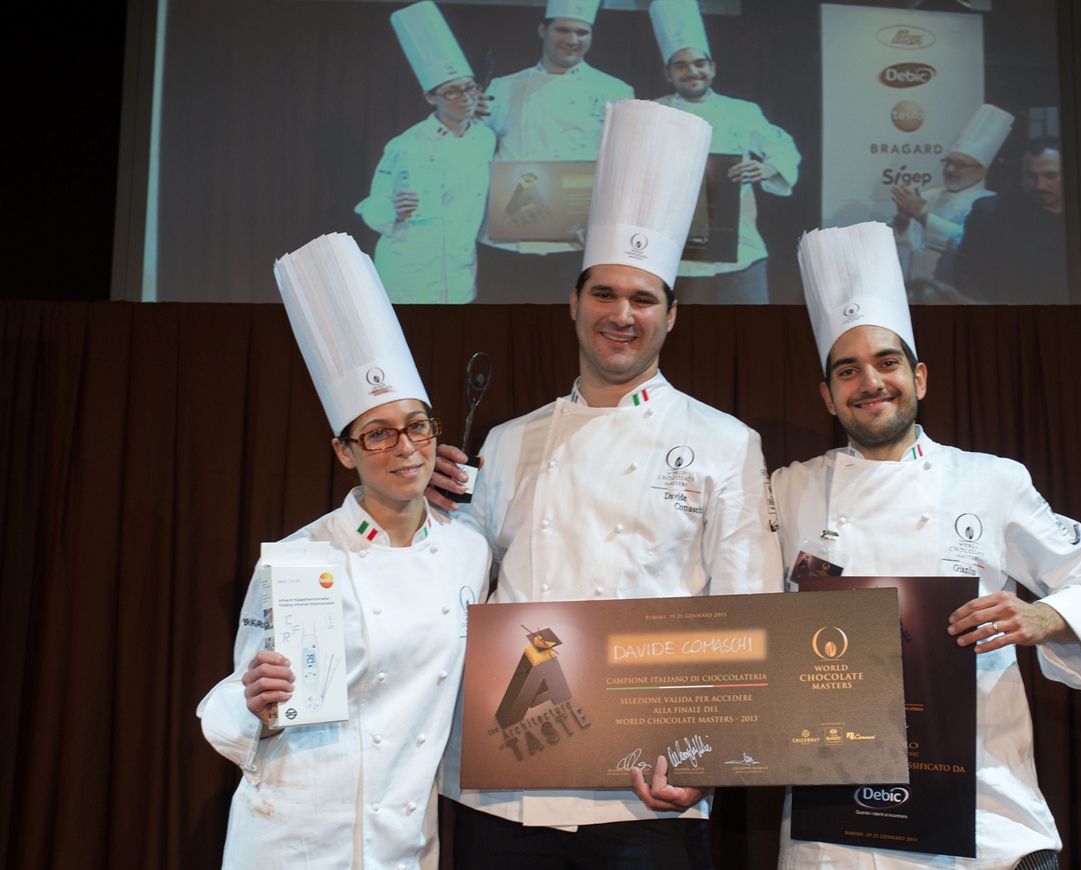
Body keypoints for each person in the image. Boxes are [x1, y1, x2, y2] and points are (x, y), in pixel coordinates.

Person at [435, 100, 779, 869]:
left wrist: (708, 761)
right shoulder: (509, 440)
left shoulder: (725, 442)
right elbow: (454, 588)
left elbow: (750, 610)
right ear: (573, 303)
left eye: (642, 298)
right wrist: (422, 507)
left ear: (671, 315)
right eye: (604, 294)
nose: (621, 315)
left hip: (649, 782)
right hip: (507, 785)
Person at [774, 222, 1081, 869]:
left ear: (920, 377)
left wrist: (1044, 616)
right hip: (838, 831)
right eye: (847, 371)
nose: (870, 382)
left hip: (984, 818)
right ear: (827, 395)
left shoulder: (991, 480)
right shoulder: (789, 490)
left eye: (887, 362)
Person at [197, 233, 489, 869]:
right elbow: (244, 706)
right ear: (344, 451)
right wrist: (257, 703)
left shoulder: (470, 552)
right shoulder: (302, 556)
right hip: (293, 834)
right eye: (377, 434)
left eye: (417, 425)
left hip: (404, 842)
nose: (405, 448)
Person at [475, 0, 634, 303]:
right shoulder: (503, 87)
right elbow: (474, 153)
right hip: (508, 240)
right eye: (562, 29)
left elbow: (622, 167)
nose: (572, 39)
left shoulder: (616, 91)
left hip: (573, 241)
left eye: (582, 32)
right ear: (543, 29)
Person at [650, 0, 800, 304]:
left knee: (748, 337)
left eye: (699, 63)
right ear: (668, 74)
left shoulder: (742, 112)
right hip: (681, 256)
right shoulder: (653, 114)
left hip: (742, 250)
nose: (692, 71)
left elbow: (784, 148)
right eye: (680, 65)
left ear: (712, 68)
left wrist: (768, 169)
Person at [355, 2, 495, 304]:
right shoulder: (406, 145)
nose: (465, 98)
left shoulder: (485, 139)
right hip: (407, 277)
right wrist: (394, 208)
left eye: (469, 88)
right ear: (431, 96)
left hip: (459, 275)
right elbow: (371, 208)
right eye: (452, 91)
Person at [890, 104, 1013, 285]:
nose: (950, 169)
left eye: (961, 165)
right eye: (948, 162)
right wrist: (903, 220)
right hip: (918, 284)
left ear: (982, 172)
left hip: (957, 288)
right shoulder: (929, 195)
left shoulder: (990, 204)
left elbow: (964, 239)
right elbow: (906, 243)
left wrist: (921, 215)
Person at [955, 136, 1068, 303]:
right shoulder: (992, 212)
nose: (1040, 186)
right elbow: (964, 272)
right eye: (1031, 176)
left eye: (1050, 176)